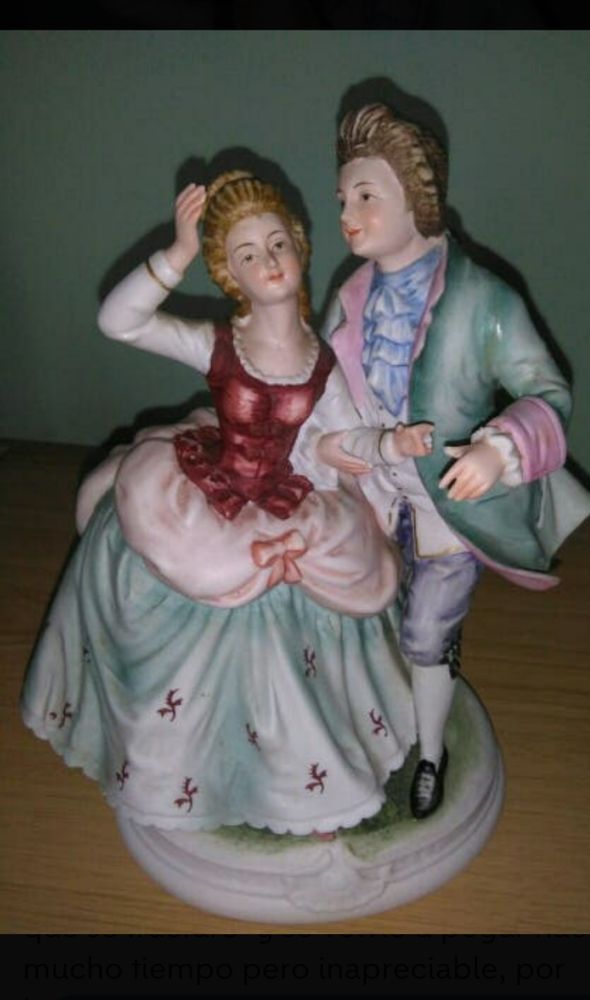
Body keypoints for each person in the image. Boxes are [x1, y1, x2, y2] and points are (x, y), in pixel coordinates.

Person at [21, 169, 435, 837]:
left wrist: (386, 447)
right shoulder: (219, 345)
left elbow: (334, 440)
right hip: (210, 495)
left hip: (290, 496)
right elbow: (117, 321)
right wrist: (176, 253)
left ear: (299, 248)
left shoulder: (322, 362)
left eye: (277, 244)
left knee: (338, 582)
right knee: (209, 580)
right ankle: (185, 765)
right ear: (229, 274)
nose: (268, 261)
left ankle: (308, 775)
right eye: (248, 254)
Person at [323, 103, 590, 819]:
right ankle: (375, 725)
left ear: (415, 197)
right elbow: (322, 391)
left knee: (425, 633)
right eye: (343, 198)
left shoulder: (483, 299)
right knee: (359, 616)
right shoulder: (349, 299)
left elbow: (548, 391)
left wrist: (498, 449)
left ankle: (431, 755)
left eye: (365, 196)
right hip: (371, 494)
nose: (347, 216)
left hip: (450, 504)